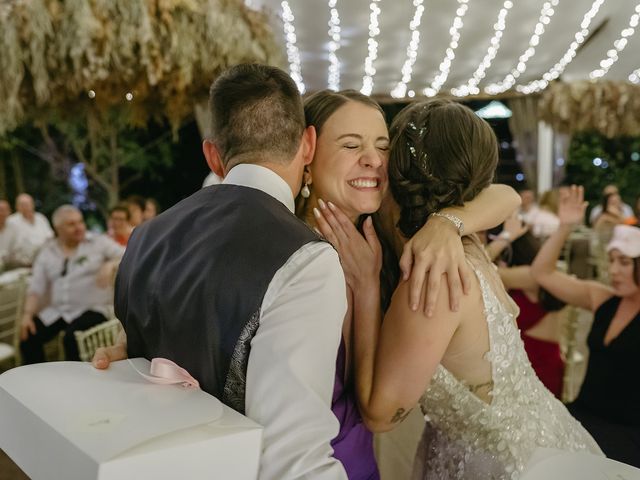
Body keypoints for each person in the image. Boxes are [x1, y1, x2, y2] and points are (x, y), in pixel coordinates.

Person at [319, 99, 602, 479]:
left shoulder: (435, 271)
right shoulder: (458, 241)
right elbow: (506, 196)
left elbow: (380, 414)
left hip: (506, 466)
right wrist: (448, 222)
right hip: (541, 439)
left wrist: (367, 287)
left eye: (385, 147)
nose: (375, 159)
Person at [107, 64, 354, 480]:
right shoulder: (304, 259)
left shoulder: (145, 237)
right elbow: (293, 460)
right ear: (308, 144)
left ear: (213, 155)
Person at [300, 89, 520, 479]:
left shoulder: (398, 240)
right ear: (306, 152)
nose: (372, 159)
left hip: (362, 458)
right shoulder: (293, 255)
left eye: (383, 147)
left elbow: (505, 195)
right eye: (351, 144)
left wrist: (446, 224)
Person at [532, 191, 640, 467]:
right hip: (582, 416)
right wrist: (565, 227)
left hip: (627, 435)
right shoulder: (603, 298)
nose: (614, 270)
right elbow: (541, 273)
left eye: (625, 263)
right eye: (612, 260)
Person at [19, 205, 123, 363]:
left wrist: (111, 264)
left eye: (80, 222)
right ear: (58, 229)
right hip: (59, 311)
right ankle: (38, 380)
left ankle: (73, 383)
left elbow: (129, 254)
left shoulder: (98, 242)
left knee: (71, 338)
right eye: (71, 224)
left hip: (94, 308)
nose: (79, 227)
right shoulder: (48, 251)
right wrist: (27, 315)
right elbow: (36, 287)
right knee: (28, 337)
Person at [498, 231, 566, 398]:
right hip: (532, 360)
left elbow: (479, 268)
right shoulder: (531, 276)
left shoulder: (529, 275)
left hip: (538, 365)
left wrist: (503, 238)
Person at [6, 193, 54, 265]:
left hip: (46, 259)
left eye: (27, 204)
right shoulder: (11, 221)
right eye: (22, 204)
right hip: (22, 264)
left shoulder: (41, 218)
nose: (25, 207)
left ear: (33, 204)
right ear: (17, 207)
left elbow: (51, 237)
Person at [0, 200, 19, 271]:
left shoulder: (14, 228)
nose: (1, 213)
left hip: (9, 265)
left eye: (3, 210)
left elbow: (16, 249)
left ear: (9, 212)